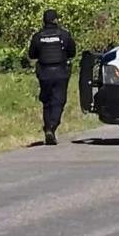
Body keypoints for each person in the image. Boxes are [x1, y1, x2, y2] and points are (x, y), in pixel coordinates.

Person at [28, 9, 76, 145]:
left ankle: (49, 127)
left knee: (47, 101)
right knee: (59, 101)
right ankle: (52, 127)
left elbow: (32, 54)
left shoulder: (38, 36)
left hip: (44, 73)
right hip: (61, 72)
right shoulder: (64, 35)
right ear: (56, 20)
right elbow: (72, 52)